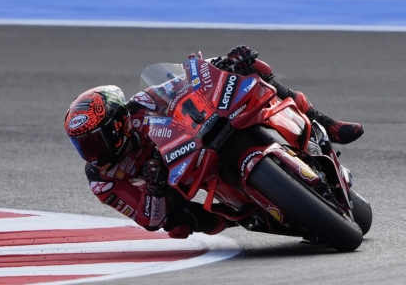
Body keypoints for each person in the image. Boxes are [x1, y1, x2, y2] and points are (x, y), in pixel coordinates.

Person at [64, 45, 364, 238]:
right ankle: (238, 217)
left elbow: (184, 81)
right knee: (177, 227)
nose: (91, 153)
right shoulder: (102, 178)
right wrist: (156, 189)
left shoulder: (142, 104)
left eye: (95, 141)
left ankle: (327, 123)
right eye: (83, 145)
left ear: (118, 124)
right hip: (180, 181)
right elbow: (149, 219)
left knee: (252, 70)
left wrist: (223, 63)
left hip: (200, 138)